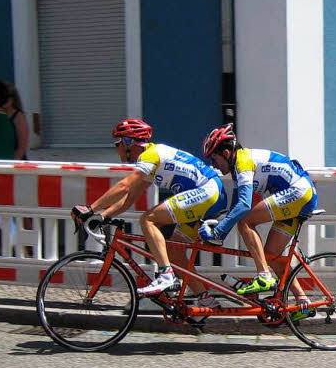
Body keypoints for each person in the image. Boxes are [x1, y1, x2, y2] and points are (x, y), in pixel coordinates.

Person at [70, 118, 227, 300]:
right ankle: (205, 298)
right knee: (174, 252)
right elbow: (129, 199)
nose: (116, 148)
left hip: (207, 192)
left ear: (128, 143)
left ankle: (165, 275)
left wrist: (90, 208)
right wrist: (103, 215)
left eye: (118, 143)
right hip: (211, 194)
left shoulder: (149, 156)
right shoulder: (153, 161)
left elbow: (124, 186)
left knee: (148, 219)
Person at [200, 123, 317, 314]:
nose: (213, 165)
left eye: (214, 158)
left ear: (227, 153)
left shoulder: (242, 162)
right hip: (301, 194)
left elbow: (244, 206)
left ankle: (263, 276)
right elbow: (236, 206)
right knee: (271, 255)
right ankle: (303, 303)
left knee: (245, 221)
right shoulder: (241, 164)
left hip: (298, 192)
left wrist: (219, 231)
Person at [3, 82, 30, 160]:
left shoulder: (19, 117)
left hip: (15, 164)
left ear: (11, 100)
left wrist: (10, 165)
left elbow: (21, 148)